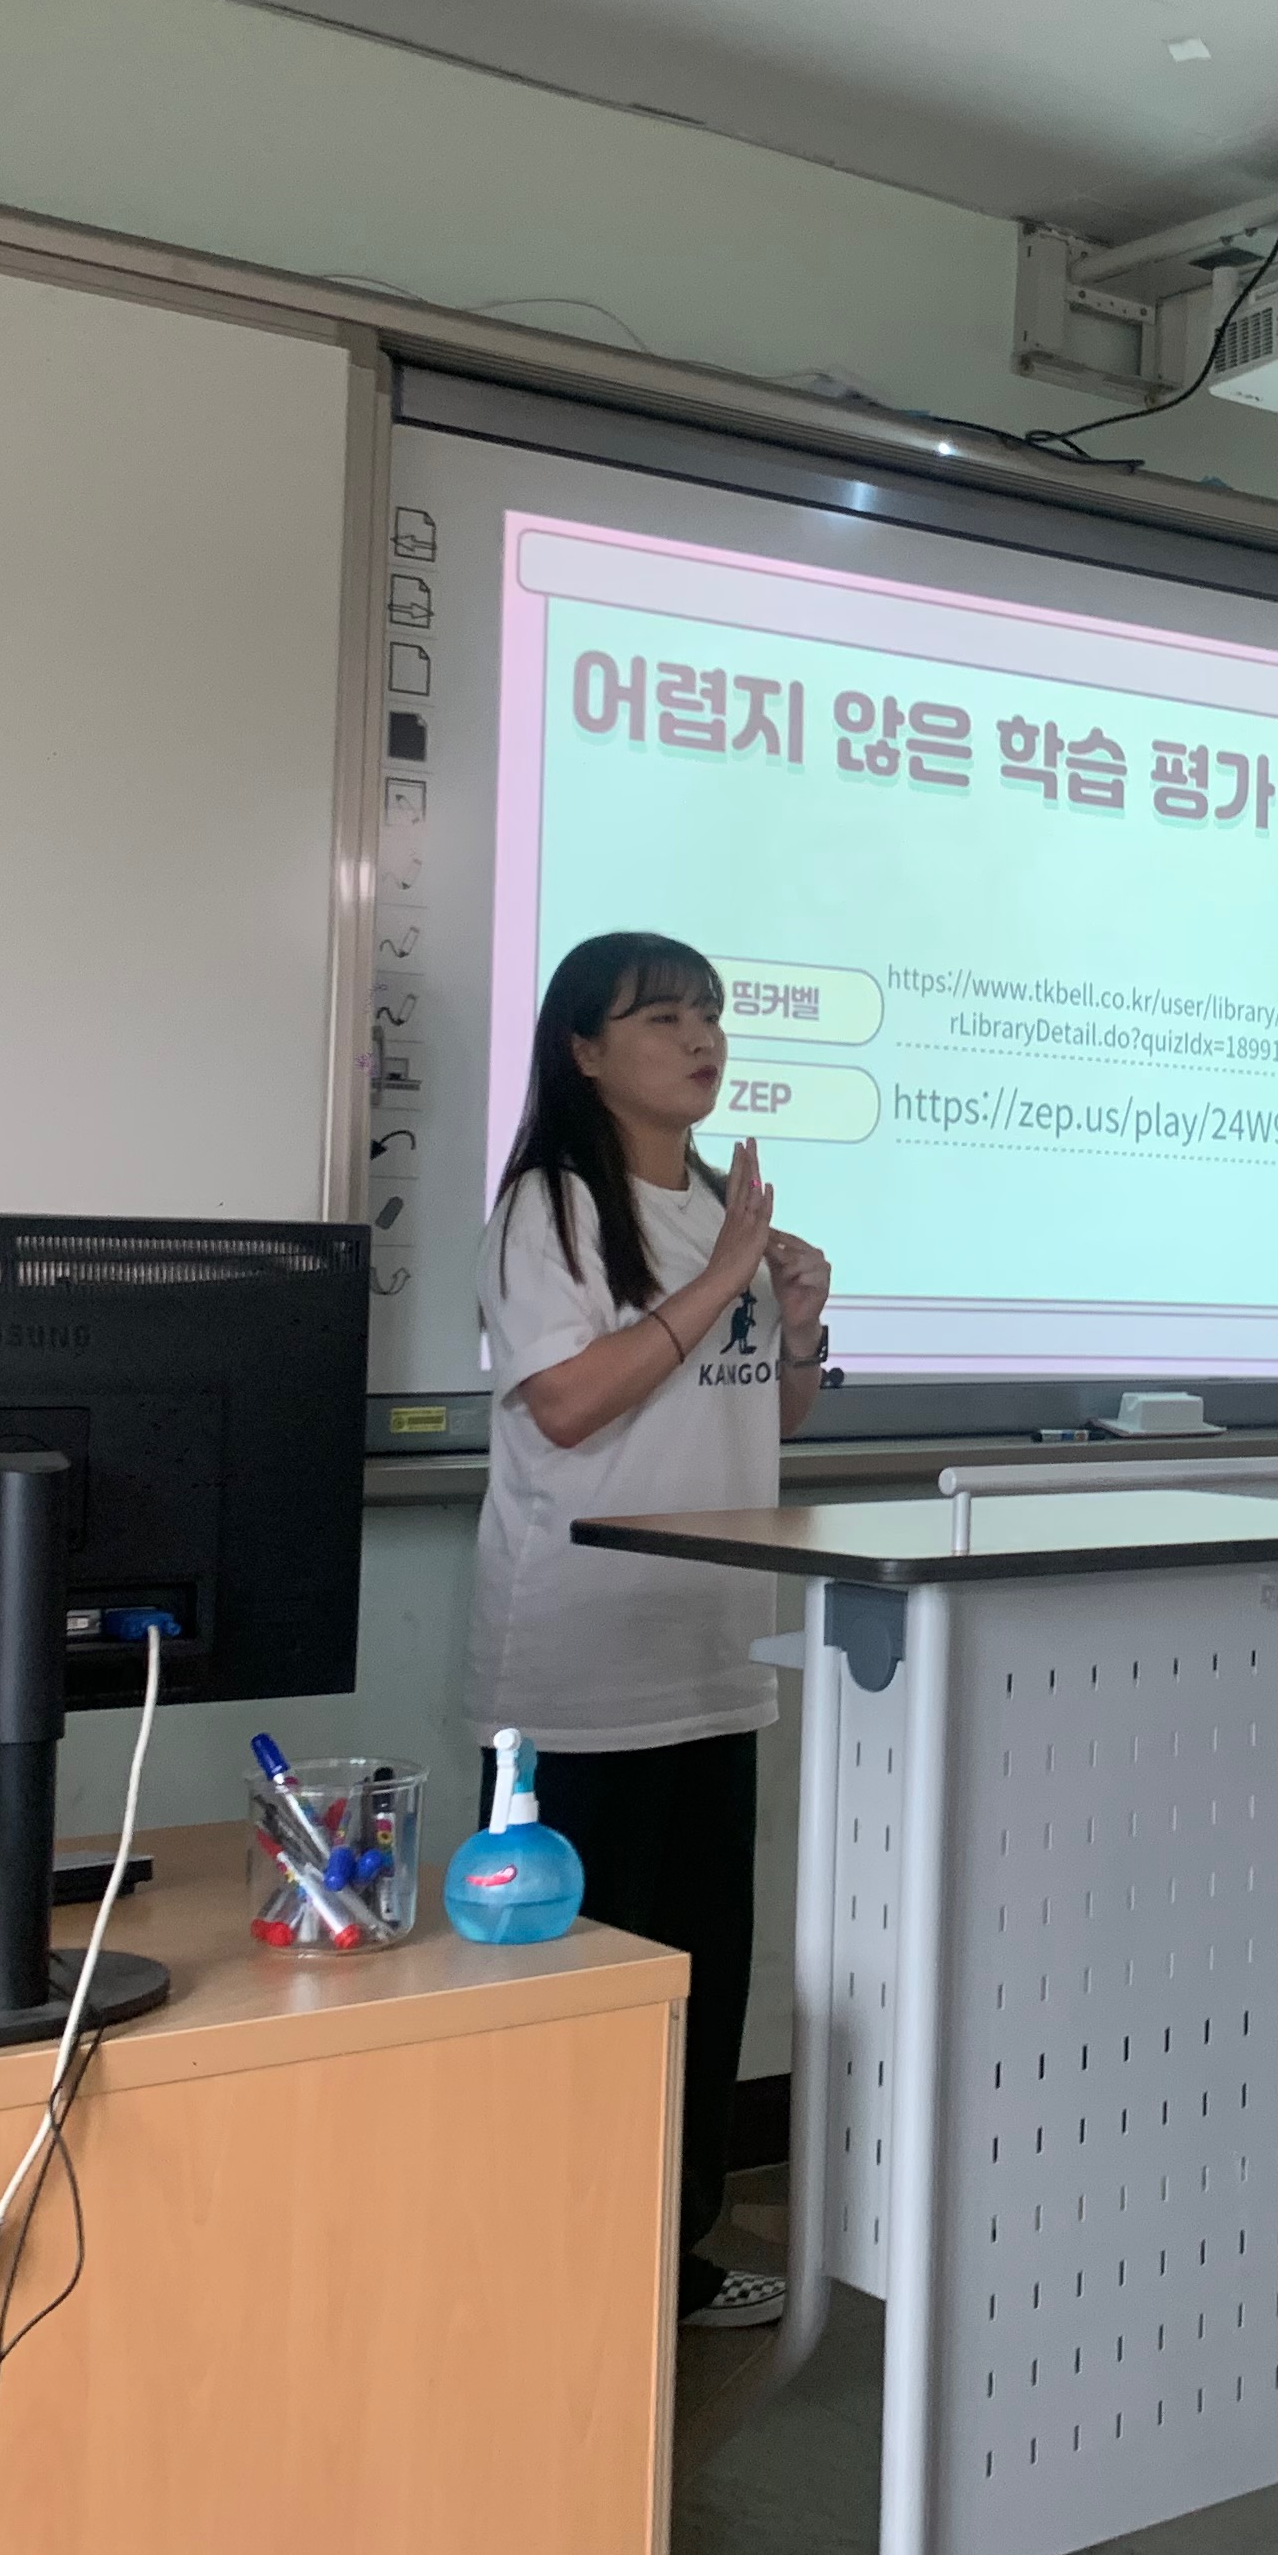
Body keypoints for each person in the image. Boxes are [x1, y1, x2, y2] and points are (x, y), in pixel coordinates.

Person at [472, 930, 832, 2328]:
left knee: (702, 1976)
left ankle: (669, 2262)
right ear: (582, 1049)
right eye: (664, 1017)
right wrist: (722, 1271)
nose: (703, 1039)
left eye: (713, 1015)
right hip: (581, 1667)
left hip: (713, 1652)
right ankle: (558, 2266)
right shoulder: (555, 1205)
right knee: (585, 1982)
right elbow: (567, 1404)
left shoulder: (720, 1213)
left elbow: (764, 1420)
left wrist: (794, 1325)